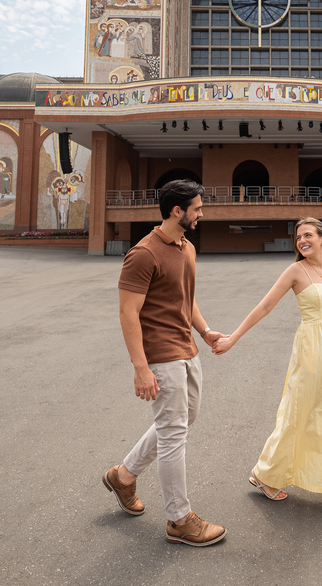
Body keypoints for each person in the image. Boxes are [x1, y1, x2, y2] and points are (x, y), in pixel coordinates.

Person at [213, 218, 322, 504]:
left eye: (307, 235)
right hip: (312, 349)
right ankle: (265, 474)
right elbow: (265, 306)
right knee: (301, 413)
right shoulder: (295, 271)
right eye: (298, 237)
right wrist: (234, 338)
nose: (301, 240)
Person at [102, 180, 227, 547]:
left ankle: (123, 476)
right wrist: (141, 368)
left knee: (181, 421)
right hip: (160, 355)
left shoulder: (187, 247)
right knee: (174, 434)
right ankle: (179, 520)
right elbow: (128, 313)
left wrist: (204, 331)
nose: (202, 214)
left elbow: (186, 299)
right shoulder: (143, 254)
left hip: (188, 350)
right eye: (198, 208)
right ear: (178, 211)